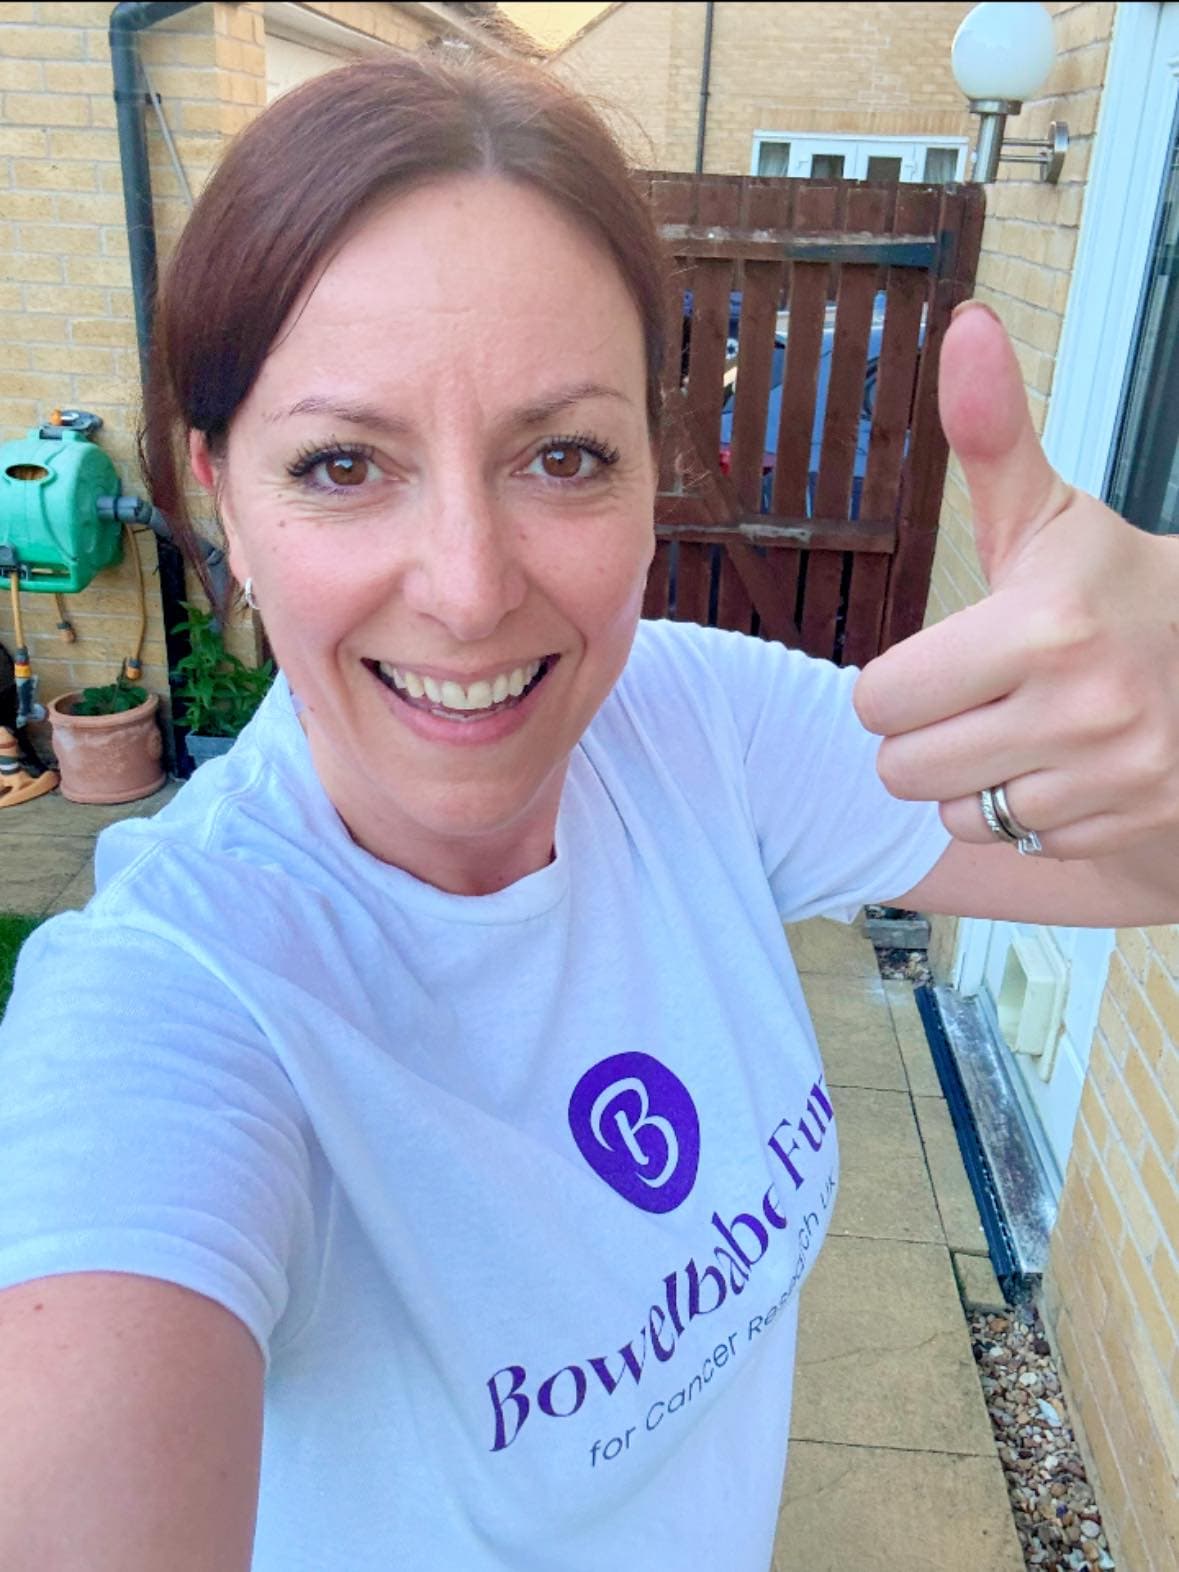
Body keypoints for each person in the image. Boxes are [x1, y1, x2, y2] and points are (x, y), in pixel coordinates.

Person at [0, 49, 1176, 1572]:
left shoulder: (691, 728)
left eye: (563, 456)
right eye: (345, 464)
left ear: (649, 471)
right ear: (225, 493)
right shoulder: (172, 1009)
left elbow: (1135, 862)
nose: (474, 589)